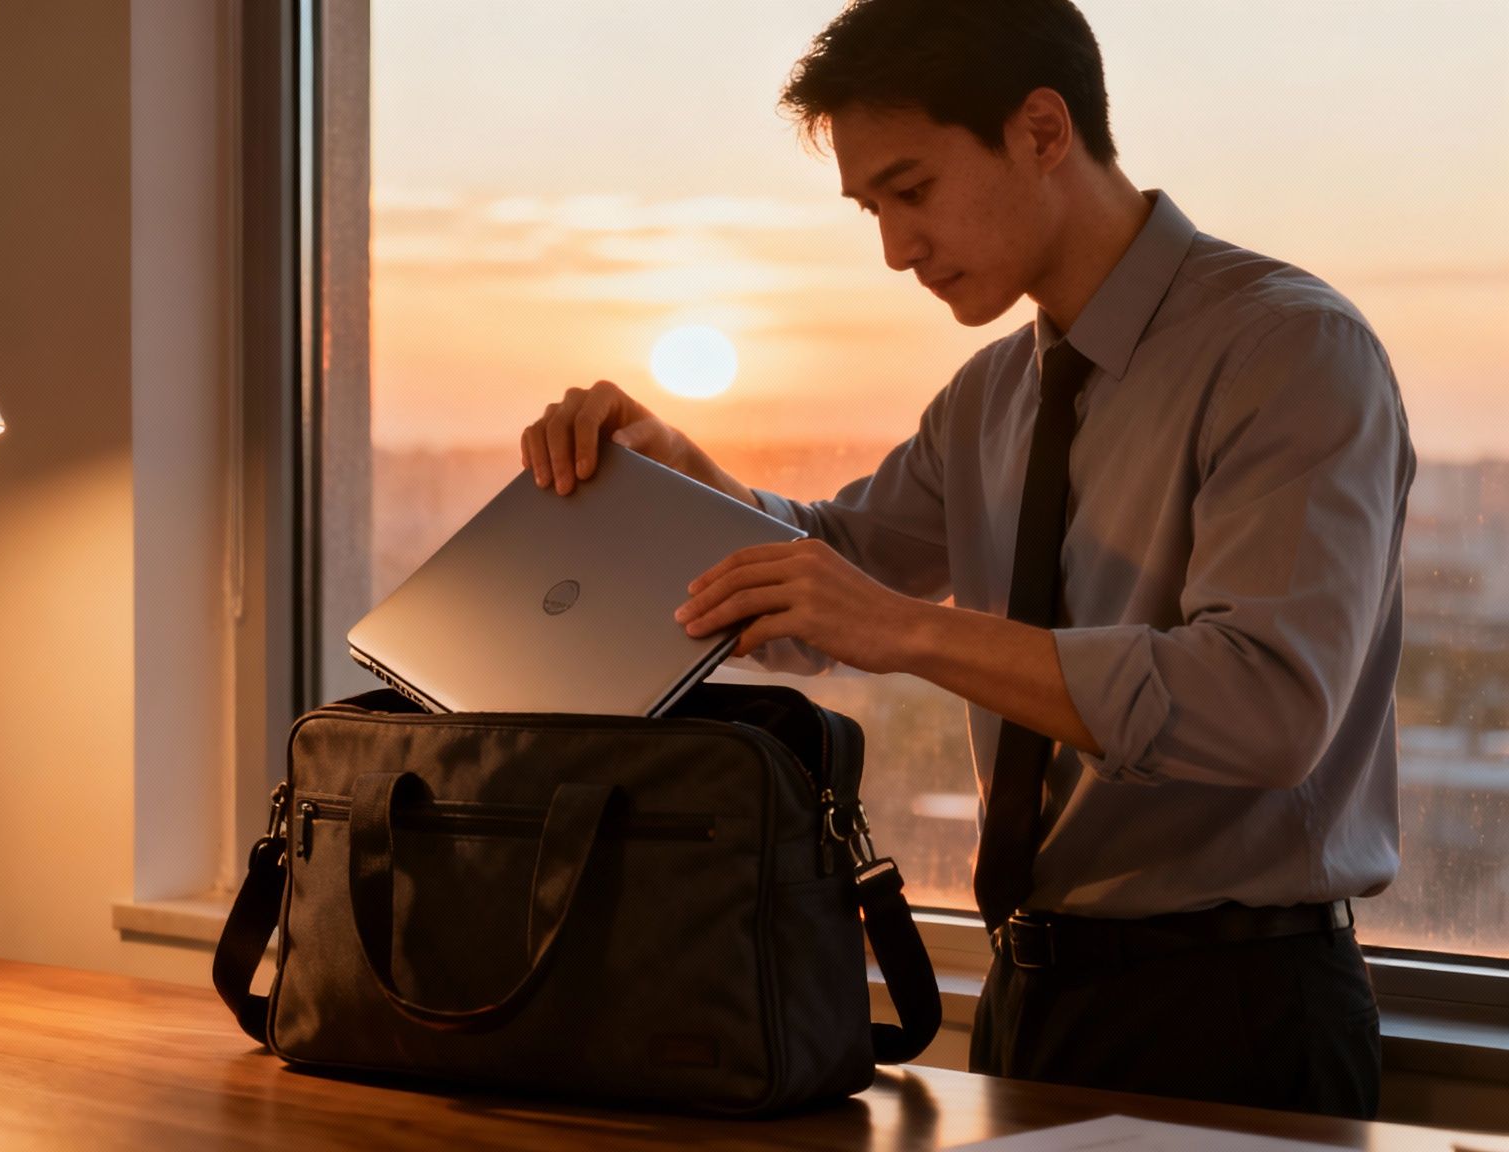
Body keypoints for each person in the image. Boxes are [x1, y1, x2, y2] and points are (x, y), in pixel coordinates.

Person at [520, 0, 1410, 1119]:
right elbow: (830, 574)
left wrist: (909, 631)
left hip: (1237, 1015)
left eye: (911, 190)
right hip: (1025, 1000)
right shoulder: (992, 393)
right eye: (870, 208)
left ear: (1042, 131)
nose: (893, 249)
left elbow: (1268, 705)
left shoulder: (1287, 350)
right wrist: (672, 475)